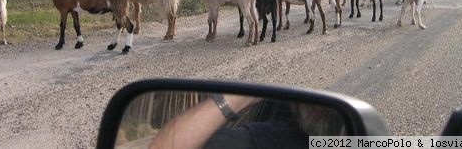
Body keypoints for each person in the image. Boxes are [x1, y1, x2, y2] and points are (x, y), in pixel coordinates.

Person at [148, 93, 345, 149]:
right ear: (294, 107)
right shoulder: (272, 137)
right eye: (305, 102)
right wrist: (247, 94)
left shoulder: (367, 142)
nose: (316, 108)